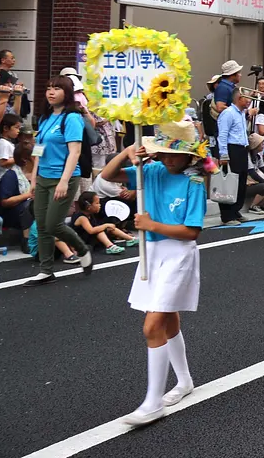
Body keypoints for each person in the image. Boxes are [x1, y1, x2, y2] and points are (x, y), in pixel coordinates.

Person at [100, 120, 208, 426]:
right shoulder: (152, 171)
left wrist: (152, 226)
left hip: (177, 256)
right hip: (153, 254)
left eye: (175, 154)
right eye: (163, 153)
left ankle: (152, 403)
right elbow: (106, 179)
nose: (168, 158)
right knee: (168, 318)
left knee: (152, 326)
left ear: (190, 156)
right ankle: (185, 382)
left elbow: (191, 232)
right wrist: (127, 153)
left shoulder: (194, 183)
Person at [25, 75, 93, 285]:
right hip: (44, 177)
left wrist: (64, 181)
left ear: (68, 92)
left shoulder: (71, 118)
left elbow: (75, 152)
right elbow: (39, 149)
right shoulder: (45, 118)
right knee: (43, 225)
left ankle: (82, 250)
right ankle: (46, 271)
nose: (51, 92)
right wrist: (34, 178)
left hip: (64, 177)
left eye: (57, 88)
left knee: (54, 224)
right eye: (48, 88)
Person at [217, 88, 251, 226]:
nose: (249, 101)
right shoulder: (228, 113)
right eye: (247, 98)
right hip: (232, 149)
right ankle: (226, 215)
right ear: (239, 98)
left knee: (241, 181)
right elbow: (223, 134)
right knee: (229, 182)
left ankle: (236, 211)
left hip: (242, 149)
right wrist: (223, 154)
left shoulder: (242, 113)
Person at [71, 191, 138, 255]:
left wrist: (107, 226)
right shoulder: (82, 217)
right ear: (89, 207)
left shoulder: (91, 214)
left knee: (109, 227)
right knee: (100, 230)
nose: (100, 205)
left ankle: (130, 239)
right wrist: (105, 225)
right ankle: (110, 246)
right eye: (97, 203)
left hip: (90, 237)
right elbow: (91, 230)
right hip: (83, 239)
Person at [0, 141, 34, 254]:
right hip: (14, 213)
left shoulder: (35, 173)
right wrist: (28, 195)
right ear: (25, 159)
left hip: (31, 209)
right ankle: (26, 240)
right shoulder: (11, 175)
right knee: (28, 206)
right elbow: (5, 202)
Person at [0, 113, 22, 181]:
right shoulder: (3, 143)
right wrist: (19, 157)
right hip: (5, 178)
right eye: (16, 127)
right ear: (5, 128)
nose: (18, 131)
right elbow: (2, 162)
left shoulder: (8, 142)